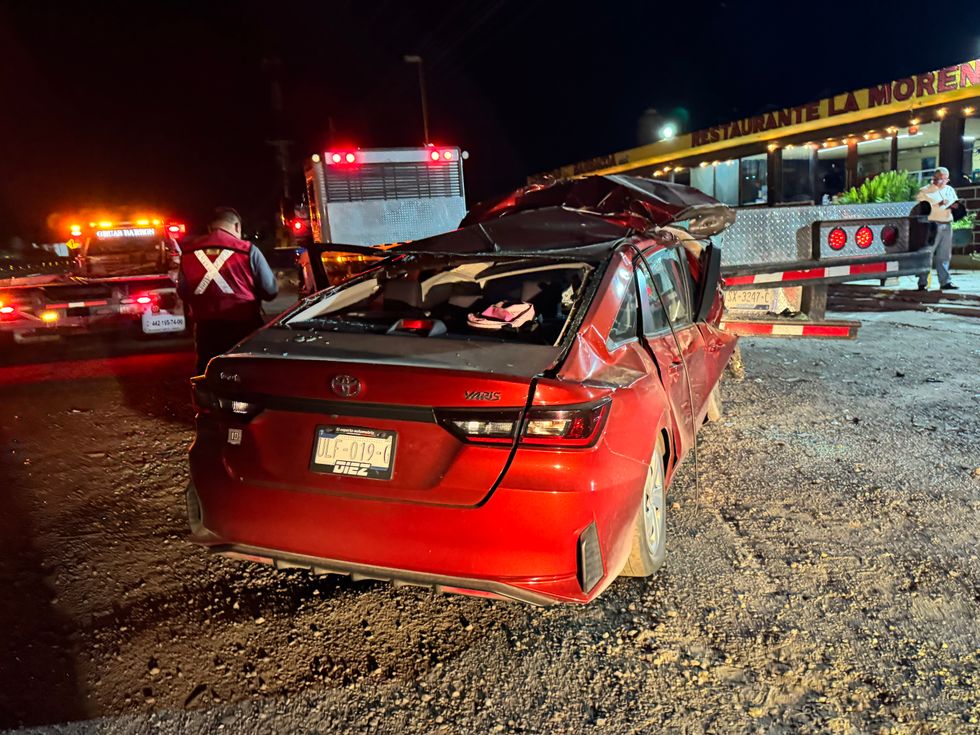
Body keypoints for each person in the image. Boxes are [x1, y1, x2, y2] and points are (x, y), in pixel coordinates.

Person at [178, 207, 278, 374]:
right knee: (248, 374)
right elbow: (270, 291)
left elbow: (183, 292)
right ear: (237, 226)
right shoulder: (248, 250)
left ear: (210, 228)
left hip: (206, 329)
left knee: (208, 375)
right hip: (244, 327)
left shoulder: (188, 253)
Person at [915, 167, 959, 291]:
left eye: (946, 179)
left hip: (947, 224)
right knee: (927, 254)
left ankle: (945, 281)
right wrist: (939, 204)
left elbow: (955, 203)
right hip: (932, 225)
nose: (944, 181)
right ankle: (923, 282)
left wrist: (954, 206)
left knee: (944, 255)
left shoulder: (949, 190)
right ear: (934, 178)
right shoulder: (925, 191)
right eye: (941, 179)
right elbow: (923, 208)